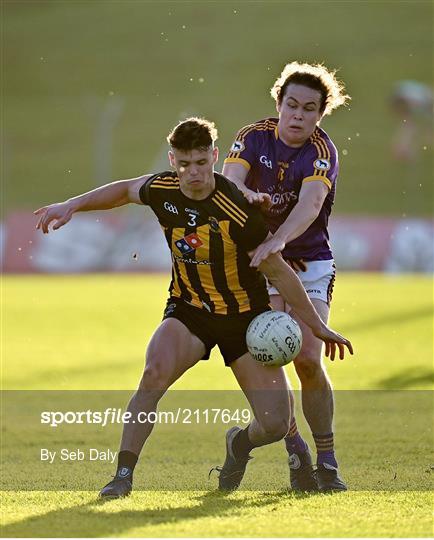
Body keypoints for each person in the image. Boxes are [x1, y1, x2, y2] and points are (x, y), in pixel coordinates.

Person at [34, 117, 352, 498]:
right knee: (153, 374)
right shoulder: (163, 189)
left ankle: (239, 445)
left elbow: (281, 274)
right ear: (173, 161)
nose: (193, 173)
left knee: (274, 424)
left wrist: (318, 326)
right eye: (184, 164)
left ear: (214, 158)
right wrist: (72, 204)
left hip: (245, 321)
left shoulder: (238, 209)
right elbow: (123, 190)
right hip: (190, 311)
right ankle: (121, 476)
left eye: (201, 163)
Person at [222, 61, 350, 491]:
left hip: (309, 263)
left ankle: (328, 460)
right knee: (273, 356)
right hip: (258, 265)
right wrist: (249, 202)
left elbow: (311, 205)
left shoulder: (322, 152)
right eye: (291, 105)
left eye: (309, 109)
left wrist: (279, 240)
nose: (298, 115)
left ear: (320, 114)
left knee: (308, 359)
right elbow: (229, 181)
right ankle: (297, 450)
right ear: (279, 104)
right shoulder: (252, 136)